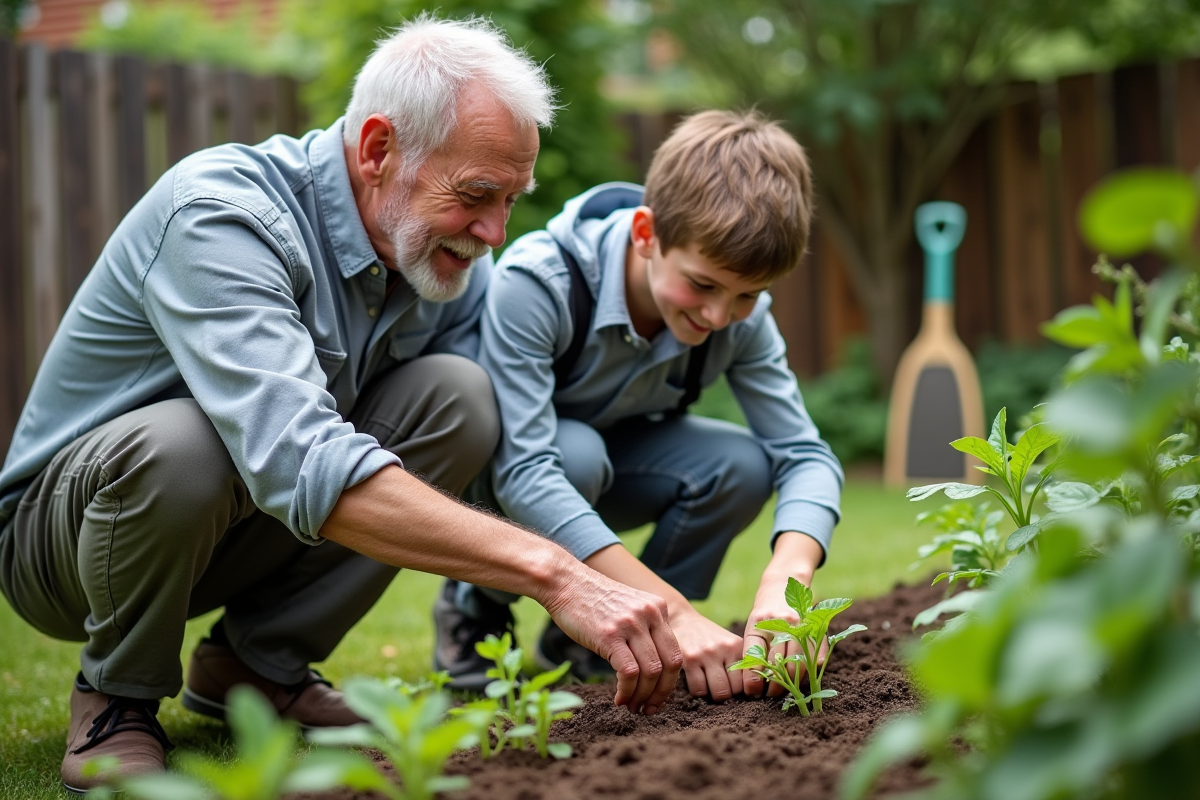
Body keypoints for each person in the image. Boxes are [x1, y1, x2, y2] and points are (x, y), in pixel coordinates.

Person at [0, 17, 681, 795]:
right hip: (69, 546)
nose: (495, 233)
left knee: (462, 398)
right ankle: (115, 699)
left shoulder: (435, 261)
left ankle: (256, 666)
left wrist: (661, 605)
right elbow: (298, 458)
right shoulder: (222, 213)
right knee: (185, 443)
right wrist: (557, 579)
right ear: (377, 149)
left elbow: (513, 451)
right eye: (475, 196)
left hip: (241, 529)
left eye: (511, 200)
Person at [434, 110, 843, 701]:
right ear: (647, 234)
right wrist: (671, 609)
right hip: (510, 480)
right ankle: (475, 607)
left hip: (613, 469)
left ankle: (596, 644)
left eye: (747, 295)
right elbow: (525, 471)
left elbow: (805, 456)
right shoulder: (540, 283)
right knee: (577, 455)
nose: (718, 317)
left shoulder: (736, 315)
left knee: (741, 466)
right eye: (702, 286)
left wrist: (788, 578)